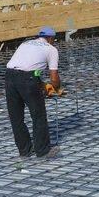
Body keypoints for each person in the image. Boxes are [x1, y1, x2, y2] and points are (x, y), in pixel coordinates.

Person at [5, 26, 61, 159]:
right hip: (28, 79)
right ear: (51, 38)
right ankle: (43, 151)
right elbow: (54, 77)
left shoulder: (25, 43)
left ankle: (24, 151)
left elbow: (31, 69)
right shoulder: (51, 49)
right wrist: (55, 88)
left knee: (16, 117)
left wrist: (41, 85)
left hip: (9, 76)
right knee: (38, 115)